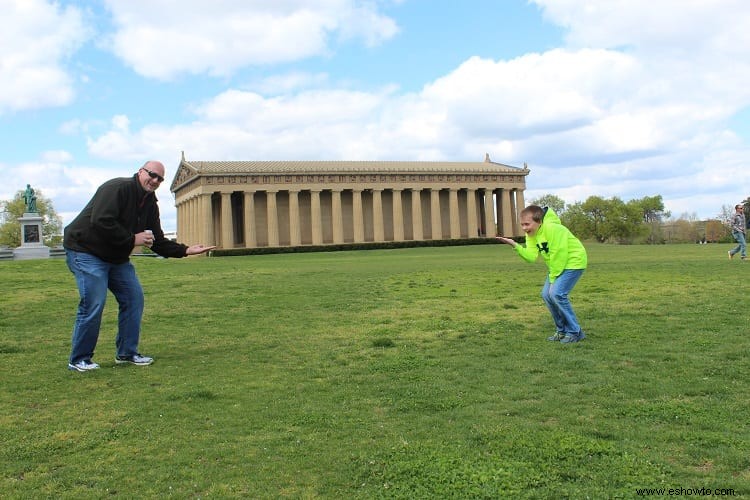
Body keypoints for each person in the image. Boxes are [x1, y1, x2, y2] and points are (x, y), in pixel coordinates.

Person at [63, 161, 216, 372]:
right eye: (152, 175)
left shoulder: (150, 203)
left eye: (160, 179)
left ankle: (127, 353)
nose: (155, 181)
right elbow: (101, 221)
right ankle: (79, 359)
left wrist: (186, 250)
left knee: (134, 298)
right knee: (94, 302)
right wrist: (132, 238)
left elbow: (157, 240)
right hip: (85, 250)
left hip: (115, 257)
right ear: (140, 172)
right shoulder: (116, 188)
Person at [496, 205, 588, 344]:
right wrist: (515, 245)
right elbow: (531, 257)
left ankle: (575, 331)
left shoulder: (553, 229)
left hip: (574, 262)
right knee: (546, 295)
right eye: (522, 225)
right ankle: (561, 330)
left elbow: (559, 254)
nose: (524, 228)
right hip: (557, 266)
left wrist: (553, 279)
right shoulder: (532, 235)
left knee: (556, 294)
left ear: (539, 221)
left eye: (527, 224)